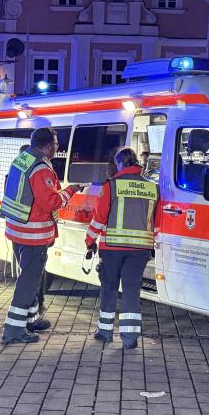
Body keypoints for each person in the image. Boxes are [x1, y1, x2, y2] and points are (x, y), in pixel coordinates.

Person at [0, 128, 81, 344]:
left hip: (18, 230)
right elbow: (51, 202)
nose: (58, 147)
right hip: (33, 234)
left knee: (31, 277)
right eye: (55, 143)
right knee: (29, 280)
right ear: (47, 146)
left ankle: (31, 319)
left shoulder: (23, 159)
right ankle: (14, 329)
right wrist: (70, 191)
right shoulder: (40, 167)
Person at [85, 147, 158, 349]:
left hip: (112, 248)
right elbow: (156, 222)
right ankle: (130, 338)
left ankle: (105, 332)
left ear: (119, 163)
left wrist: (89, 241)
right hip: (140, 250)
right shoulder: (152, 188)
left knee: (109, 289)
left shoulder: (112, 185)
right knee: (131, 291)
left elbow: (99, 218)